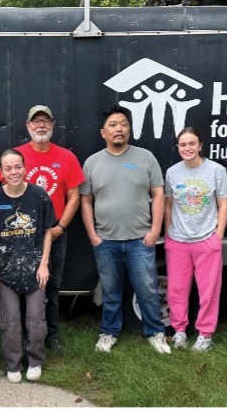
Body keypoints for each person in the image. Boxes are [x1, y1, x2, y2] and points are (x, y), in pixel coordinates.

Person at [80, 106, 171, 354]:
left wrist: (154, 231)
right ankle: (109, 332)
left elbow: (158, 194)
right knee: (110, 291)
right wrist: (92, 235)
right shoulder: (92, 163)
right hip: (105, 240)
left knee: (148, 290)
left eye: (123, 124)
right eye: (113, 125)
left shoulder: (145, 158)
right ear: (103, 132)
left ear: (129, 129)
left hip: (140, 240)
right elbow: (85, 200)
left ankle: (155, 332)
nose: (118, 129)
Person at [0, 105, 84, 352]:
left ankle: (51, 335)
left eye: (46, 120)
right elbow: (3, 192)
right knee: (23, 285)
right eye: (36, 121)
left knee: (51, 286)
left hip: (54, 234)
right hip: (21, 236)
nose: (41, 125)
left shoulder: (66, 157)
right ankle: (26, 335)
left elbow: (74, 197)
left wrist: (61, 227)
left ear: (53, 125)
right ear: (28, 126)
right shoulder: (16, 157)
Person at [0, 149, 55, 383]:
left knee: (36, 319)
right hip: (7, 271)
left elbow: (48, 231)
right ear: (1, 172)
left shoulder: (39, 195)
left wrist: (44, 265)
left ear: (25, 168)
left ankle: (35, 360)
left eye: (18, 167)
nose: (14, 172)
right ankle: (13, 364)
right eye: (8, 168)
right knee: (10, 320)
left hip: (35, 270)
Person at [164, 127, 227, 352]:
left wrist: (218, 236)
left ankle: (205, 334)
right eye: (183, 144)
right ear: (178, 147)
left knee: (208, 291)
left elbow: (223, 204)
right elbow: (168, 204)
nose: (187, 148)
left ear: (200, 145)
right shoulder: (172, 172)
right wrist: (168, 233)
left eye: (192, 143)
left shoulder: (217, 171)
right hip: (178, 241)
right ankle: (179, 331)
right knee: (177, 290)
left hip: (206, 239)